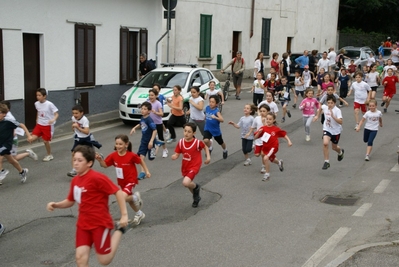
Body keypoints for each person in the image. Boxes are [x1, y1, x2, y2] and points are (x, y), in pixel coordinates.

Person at [46, 145, 129, 267]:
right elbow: (70, 200)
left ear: (89, 163)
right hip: (83, 225)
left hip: (100, 223)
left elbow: (117, 192)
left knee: (104, 260)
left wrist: (124, 215)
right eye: (74, 159)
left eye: (80, 160)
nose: (76, 163)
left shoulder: (97, 178)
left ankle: (120, 229)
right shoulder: (75, 180)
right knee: (80, 258)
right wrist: (56, 205)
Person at [96, 134, 150, 225]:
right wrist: (99, 160)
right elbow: (105, 165)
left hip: (131, 181)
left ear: (126, 144)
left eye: (120, 144)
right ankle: (139, 213)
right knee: (129, 200)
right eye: (116, 144)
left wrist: (146, 171)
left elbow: (140, 161)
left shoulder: (131, 155)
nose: (118, 146)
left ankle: (135, 198)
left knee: (121, 197)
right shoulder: (113, 156)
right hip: (122, 182)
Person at [171, 122, 211, 208]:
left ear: (194, 133)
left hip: (194, 166)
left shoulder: (197, 142)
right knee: (188, 185)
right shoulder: (181, 142)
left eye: (189, 132)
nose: (186, 133)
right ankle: (196, 197)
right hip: (185, 166)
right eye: (185, 131)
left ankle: (196, 188)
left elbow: (205, 147)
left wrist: (208, 157)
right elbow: (177, 153)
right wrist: (175, 156)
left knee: (186, 183)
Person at [0, 101, 37, 182]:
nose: (1, 115)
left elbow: (22, 125)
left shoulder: (8, 120)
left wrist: (29, 135)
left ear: (4, 114)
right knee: (11, 160)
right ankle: (22, 171)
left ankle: (2, 172)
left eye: (1, 113)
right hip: (1, 143)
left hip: (7, 144)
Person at [254, 112, 292, 181]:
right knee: (272, 159)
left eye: (270, 119)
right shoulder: (263, 128)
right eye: (267, 119)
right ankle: (279, 162)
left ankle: (267, 174)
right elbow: (255, 137)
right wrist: (259, 132)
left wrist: (289, 141)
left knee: (265, 158)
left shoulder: (276, 129)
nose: (268, 120)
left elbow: (283, 134)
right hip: (266, 147)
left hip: (273, 147)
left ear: (273, 120)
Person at [29, 88, 59, 162]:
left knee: (45, 141)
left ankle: (49, 155)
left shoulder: (49, 104)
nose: (38, 97)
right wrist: (37, 120)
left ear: (44, 96)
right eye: (37, 95)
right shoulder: (36, 103)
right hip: (39, 124)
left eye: (39, 95)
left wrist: (53, 119)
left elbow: (56, 114)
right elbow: (38, 112)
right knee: (31, 138)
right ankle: (29, 153)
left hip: (47, 125)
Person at [315, 95, 344, 170]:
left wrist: (333, 116)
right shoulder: (325, 107)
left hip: (336, 131)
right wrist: (317, 116)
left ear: (334, 103)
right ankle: (326, 162)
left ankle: (340, 152)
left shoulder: (337, 110)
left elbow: (341, 122)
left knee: (334, 147)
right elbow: (320, 107)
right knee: (325, 143)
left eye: (331, 103)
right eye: (328, 103)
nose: (330, 104)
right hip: (327, 129)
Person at [130, 102, 157, 179]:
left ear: (149, 111)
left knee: (151, 158)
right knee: (141, 157)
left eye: (145, 109)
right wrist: (134, 128)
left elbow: (155, 130)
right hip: (144, 141)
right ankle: (143, 172)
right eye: (142, 108)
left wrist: (151, 141)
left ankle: (157, 145)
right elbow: (140, 123)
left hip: (150, 141)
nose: (142, 110)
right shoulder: (142, 118)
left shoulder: (149, 120)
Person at [147, 89, 168, 158]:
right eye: (149, 95)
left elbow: (161, 114)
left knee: (160, 137)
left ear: (156, 95)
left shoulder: (158, 103)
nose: (150, 97)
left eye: (152, 95)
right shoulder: (148, 103)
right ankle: (153, 151)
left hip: (158, 123)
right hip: (150, 123)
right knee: (151, 138)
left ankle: (165, 150)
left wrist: (155, 112)